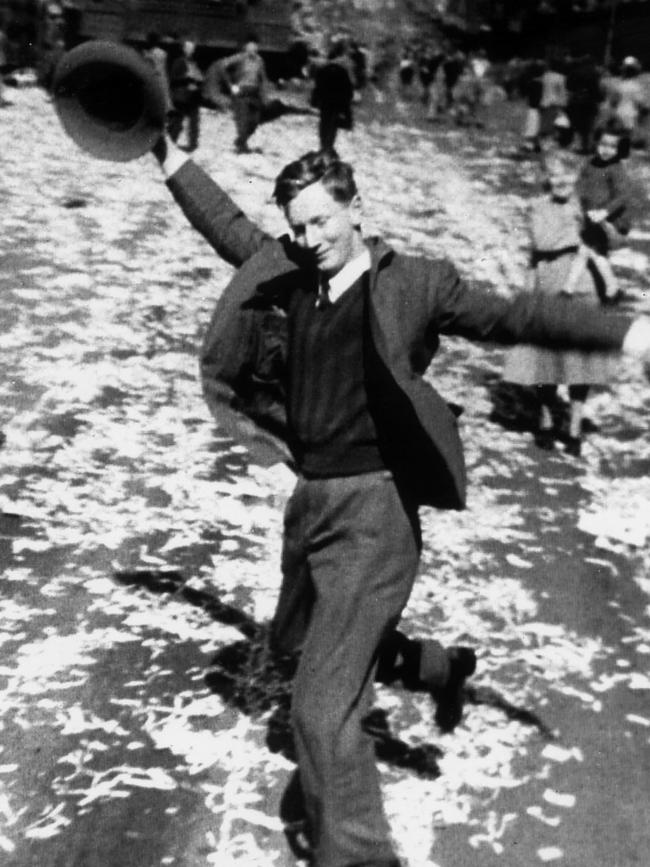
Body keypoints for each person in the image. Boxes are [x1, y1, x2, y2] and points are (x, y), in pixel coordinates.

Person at [151, 139, 650, 866]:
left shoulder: (413, 285)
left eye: (323, 221)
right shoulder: (290, 272)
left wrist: (627, 331)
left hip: (375, 512)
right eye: (297, 225)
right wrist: (165, 153)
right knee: (297, 645)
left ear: (358, 209)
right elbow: (226, 226)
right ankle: (439, 666)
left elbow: (511, 315)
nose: (310, 239)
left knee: (320, 708)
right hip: (311, 504)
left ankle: (359, 856)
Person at [503, 150, 623, 457]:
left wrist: (605, 226)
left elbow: (615, 238)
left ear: (576, 178)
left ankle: (573, 427)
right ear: (546, 179)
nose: (561, 181)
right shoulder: (537, 207)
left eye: (567, 175)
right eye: (554, 175)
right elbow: (541, 242)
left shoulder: (585, 205)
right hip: (548, 283)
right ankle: (545, 420)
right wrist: (577, 233)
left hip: (584, 288)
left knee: (579, 363)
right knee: (547, 359)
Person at [575, 124, 636, 302]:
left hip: (611, 219)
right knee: (592, 251)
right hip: (591, 215)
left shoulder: (616, 169)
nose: (606, 150)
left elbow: (623, 195)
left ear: (620, 149)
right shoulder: (590, 163)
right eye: (603, 144)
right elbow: (581, 183)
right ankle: (610, 288)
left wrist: (605, 212)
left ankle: (609, 289)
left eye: (612, 146)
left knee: (591, 250)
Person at [218, 33, 268, 154]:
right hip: (241, 93)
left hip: (254, 93)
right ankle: (242, 146)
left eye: (254, 47)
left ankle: (240, 141)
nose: (252, 49)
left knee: (255, 121)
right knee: (243, 121)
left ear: (257, 48)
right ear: (245, 47)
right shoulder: (239, 58)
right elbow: (221, 66)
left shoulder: (260, 61)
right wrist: (231, 85)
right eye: (249, 46)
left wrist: (265, 96)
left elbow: (263, 79)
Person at [310, 41, 354, 152]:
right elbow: (348, 90)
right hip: (337, 104)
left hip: (325, 103)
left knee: (324, 123)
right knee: (333, 125)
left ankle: (323, 145)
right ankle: (328, 146)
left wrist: (314, 101)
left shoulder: (323, 70)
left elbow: (317, 87)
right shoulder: (343, 71)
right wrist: (346, 106)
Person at [168, 39, 203, 152]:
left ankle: (192, 144)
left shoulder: (193, 63)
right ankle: (171, 144)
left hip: (192, 97)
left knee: (194, 121)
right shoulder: (178, 61)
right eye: (188, 47)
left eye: (192, 48)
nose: (190, 50)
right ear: (183, 48)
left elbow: (200, 78)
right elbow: (173, 78)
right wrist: (186, 78)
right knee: (177, 122)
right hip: (181, 96)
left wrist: (197, 82)